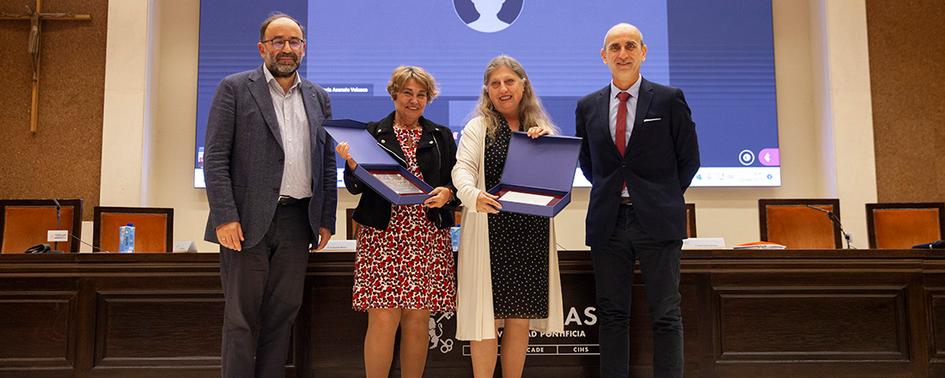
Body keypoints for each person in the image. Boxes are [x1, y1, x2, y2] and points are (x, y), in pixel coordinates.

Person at [203, 12, 336, 378]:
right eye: (278, 41)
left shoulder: (318, 97)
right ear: (263, 48)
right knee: (241, 320)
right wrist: (225, 215)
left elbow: (325, 161)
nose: (286, 49)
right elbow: (214, 156)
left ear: (304, 49)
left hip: (297, 222)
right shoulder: (234, 87)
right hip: (244, 222)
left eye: (293, 42)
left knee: (282, 318)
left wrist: (326, 218)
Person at [575, 23, 700, 378]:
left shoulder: (668, 99)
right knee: (612, 314)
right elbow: (589, 164)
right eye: (614, 47)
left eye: (630, 45)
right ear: (604, 57)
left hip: (658, 221)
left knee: (665, 313)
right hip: (609, 222)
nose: (622, 53)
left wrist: (661, 197)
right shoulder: (588, 106)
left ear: (644, 52)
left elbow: (689, 159)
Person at [334, 66, 458, 378]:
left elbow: (454, 184)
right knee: (383, 319)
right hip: (383, 236)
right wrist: (352, 165)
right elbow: (355, 187)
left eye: (421, 95)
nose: (414, 100)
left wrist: (448, 193)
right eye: (407, 93)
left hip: (426, 236)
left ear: (428, 99)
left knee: (418, 320)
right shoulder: (370, 133)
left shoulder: (441, 136)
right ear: (394, 95)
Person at [452, 55, 563, 378]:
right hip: (490, 232)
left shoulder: (540, 128)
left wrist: (549, 147)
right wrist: (472, 196)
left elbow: (555, 178)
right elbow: (462, 170)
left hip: (529, 234)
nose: (503, 88)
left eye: (509, 81)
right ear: (487, 90)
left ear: (523, 84)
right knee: (485, 319)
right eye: (495, 83)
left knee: (519, 318)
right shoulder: (478, 127)